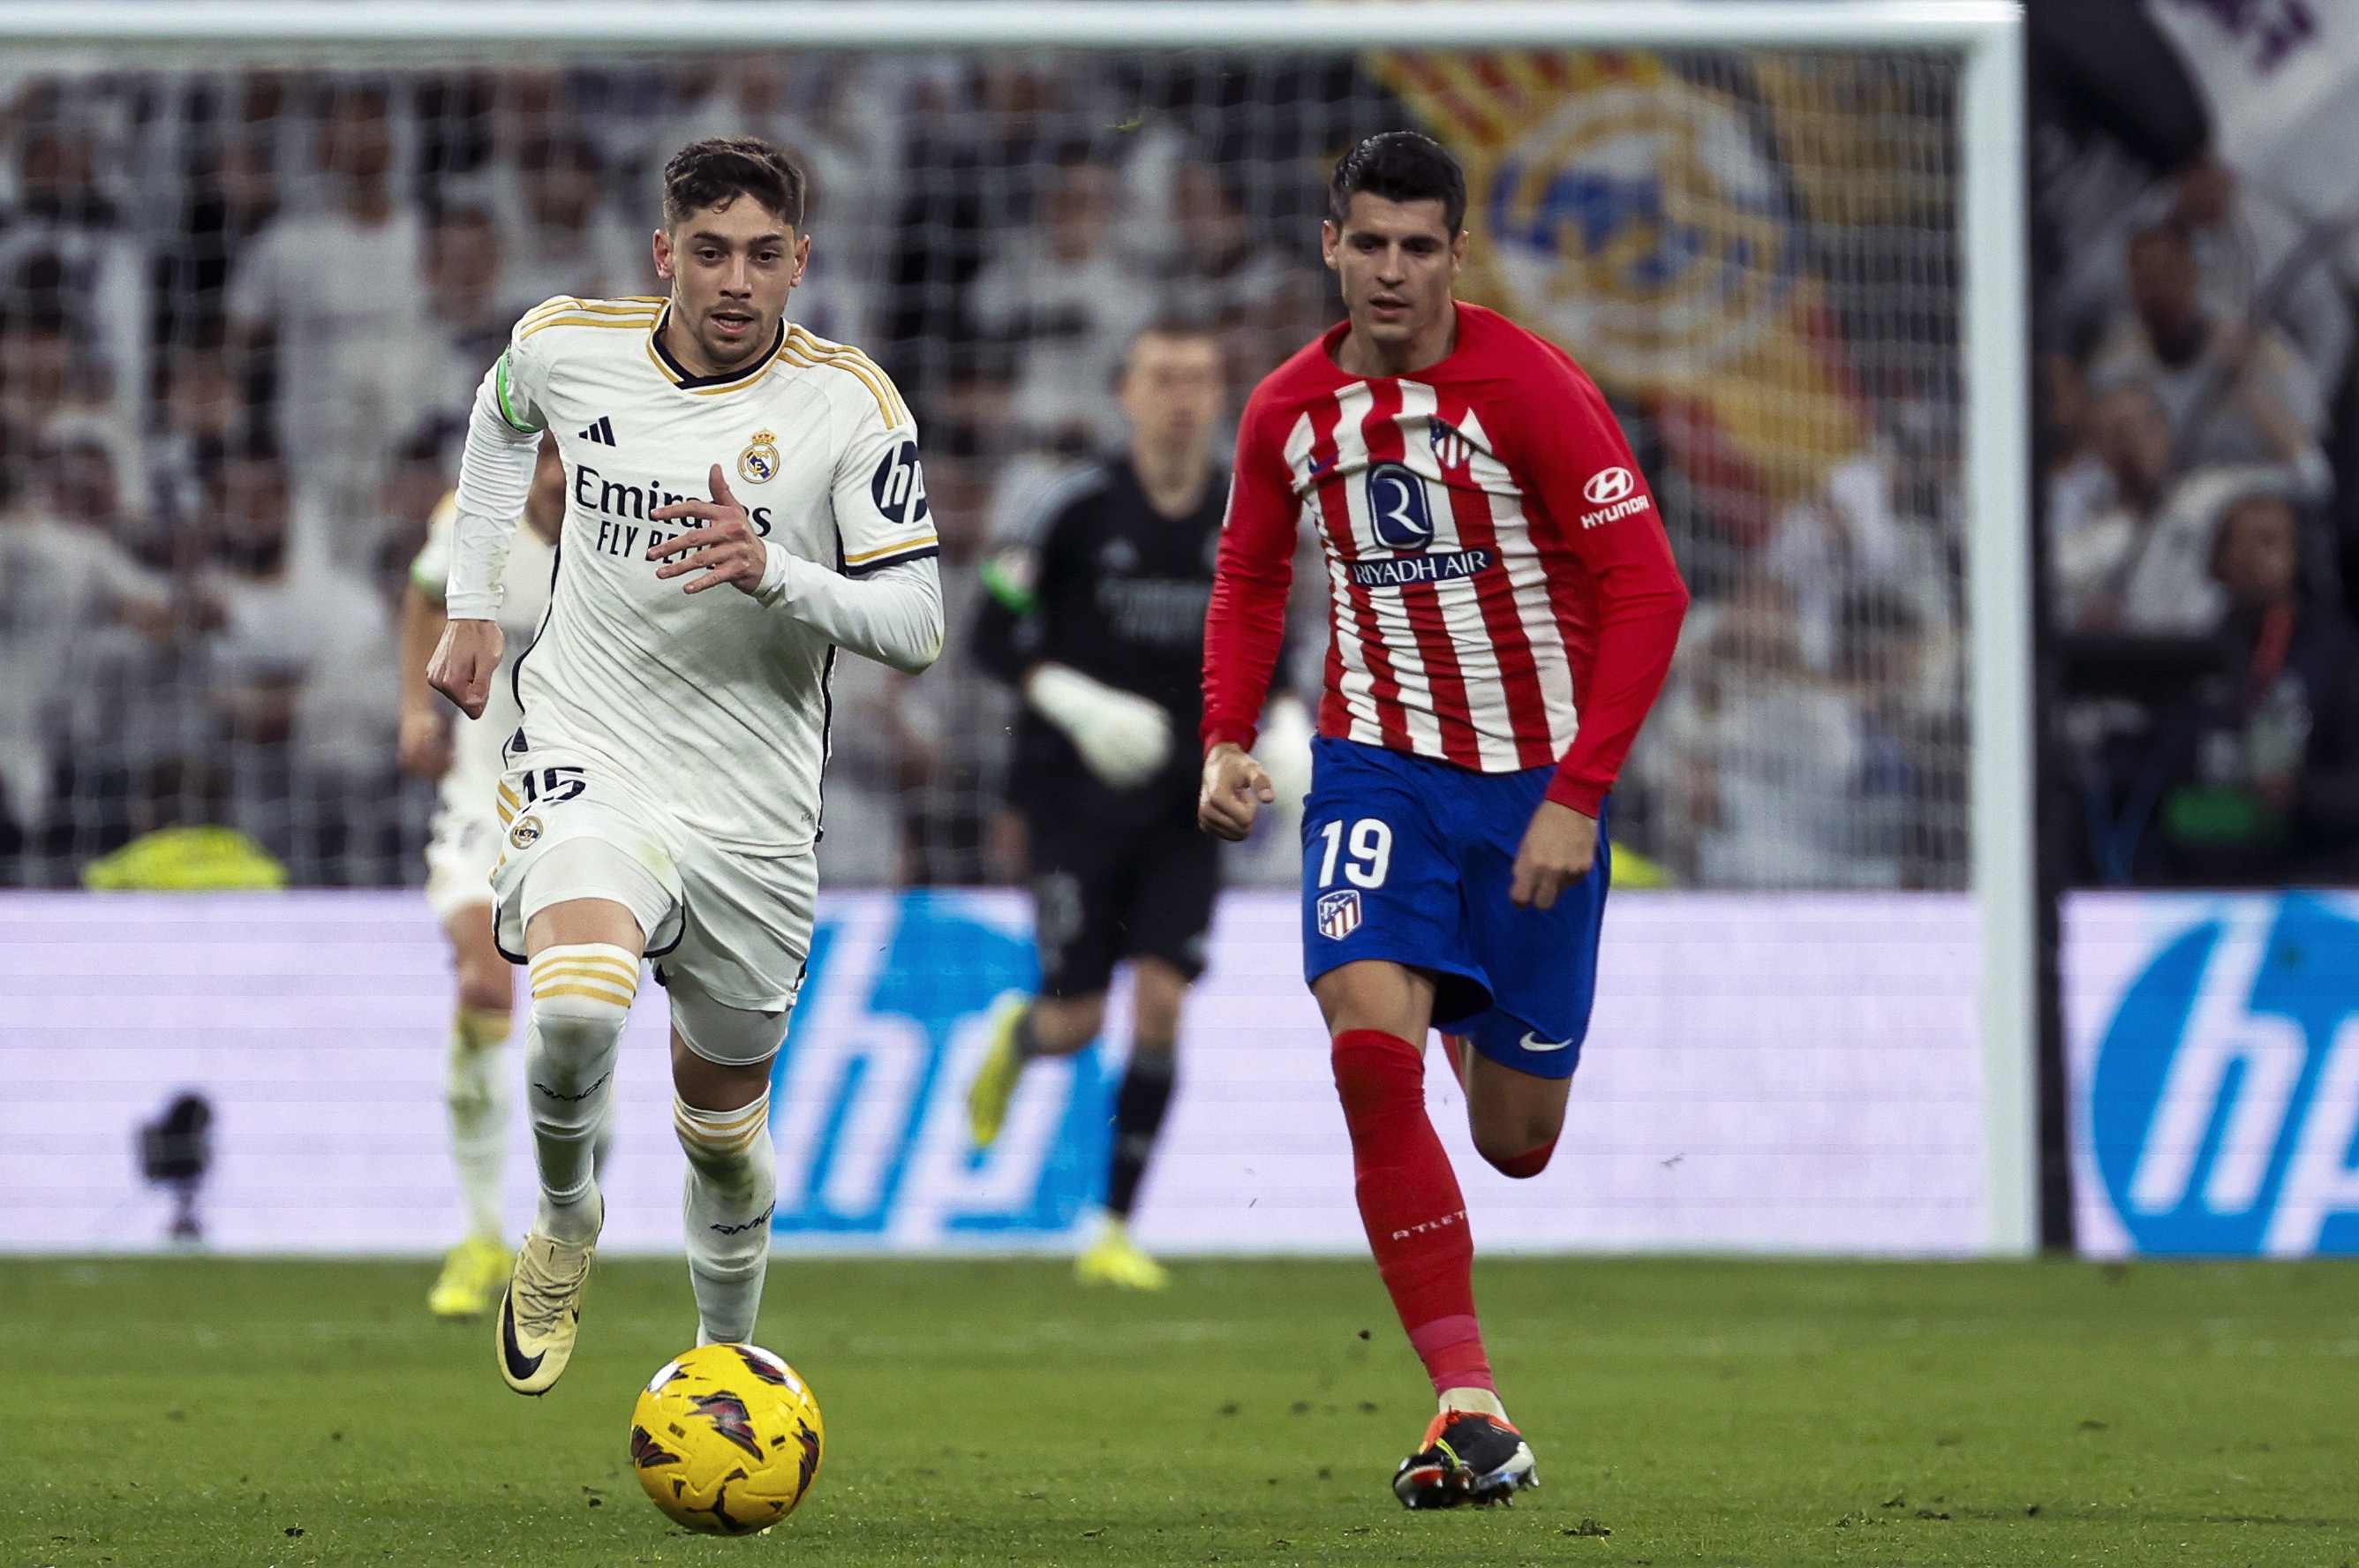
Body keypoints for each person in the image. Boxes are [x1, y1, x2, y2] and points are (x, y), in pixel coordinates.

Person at [1196, 132, 1688, 1507]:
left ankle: (1473, 1006)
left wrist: (1580, 799)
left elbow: (1648, 592)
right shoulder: (1288, 412)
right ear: (1331, 248)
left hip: (1534, 792)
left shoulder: (1530, 388)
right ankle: (1467, 1401)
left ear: (1456, 257)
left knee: (1517, 1142)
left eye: (1421, 247)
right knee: (1365, 1047)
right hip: (1374, 769)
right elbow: (1247, 580)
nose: (1394, 270)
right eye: (1372, 244)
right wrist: (1227, 738)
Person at [426, 137, 943, 1394]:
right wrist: (473, 601)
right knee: (579, 1006)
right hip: (592, 755)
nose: (733, 281)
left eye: (764, 257)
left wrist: (777, 572)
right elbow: (500, 427)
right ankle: (562, 1219)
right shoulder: (565, 344)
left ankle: (723, 1368)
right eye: (708, 252)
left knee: (723, 1136)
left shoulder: (851, 407)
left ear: (799, 265)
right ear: (665, 255)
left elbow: (920, 627)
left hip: (756, 809)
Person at [963, 323, 1241, 1290]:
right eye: (1162, 376)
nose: (1180, 395)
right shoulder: (1069, 506)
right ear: (1125, 390)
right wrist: (1074, 703)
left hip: (1186, 805)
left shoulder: (1242, 513)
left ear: (1218, 395)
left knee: (1162, 1004)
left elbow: (1270, 644)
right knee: (1078, 1019)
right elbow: (991, 635)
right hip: (1073, 798)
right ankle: (1022, 1033)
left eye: (1198, 378)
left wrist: (1281, 720)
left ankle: (1114, 1229)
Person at [397, 434, 577, 1319]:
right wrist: (412, 709)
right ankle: (477, 1235)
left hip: (590, 810)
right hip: (482, 801)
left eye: (567, 455)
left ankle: (560, 1234)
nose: (554, 473)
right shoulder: (475, 521)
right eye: (541, 454)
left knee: (578, 1022)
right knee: (483, 986)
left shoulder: (625, 532)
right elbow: (425, 598)